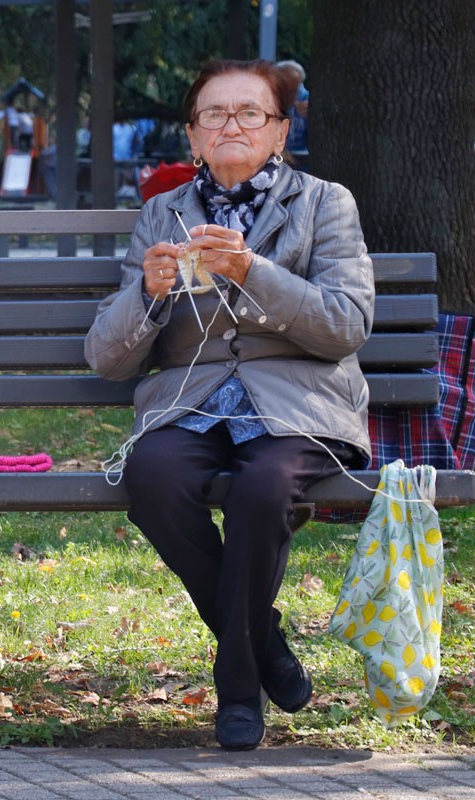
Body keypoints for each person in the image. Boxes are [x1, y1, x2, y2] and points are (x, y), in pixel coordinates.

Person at [84, 59, 372, 751]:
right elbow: (106, 357)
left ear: (280, 130)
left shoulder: (325, 203)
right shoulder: (163, 213)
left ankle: (238, 687)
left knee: (264, 488)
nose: (231, 126)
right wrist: (148, 295)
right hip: (192, 402)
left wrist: (254, 272)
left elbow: (346, 324)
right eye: (214, 115)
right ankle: (265, 644)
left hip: (297, 404)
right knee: (152, 475)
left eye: (250, 113)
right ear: (192, 137)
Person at [275, 60, 309, 160]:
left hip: (304, 162)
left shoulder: (307, 101)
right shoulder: (267, 102)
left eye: (293, 91)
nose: (287, 96)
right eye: (282, 89)